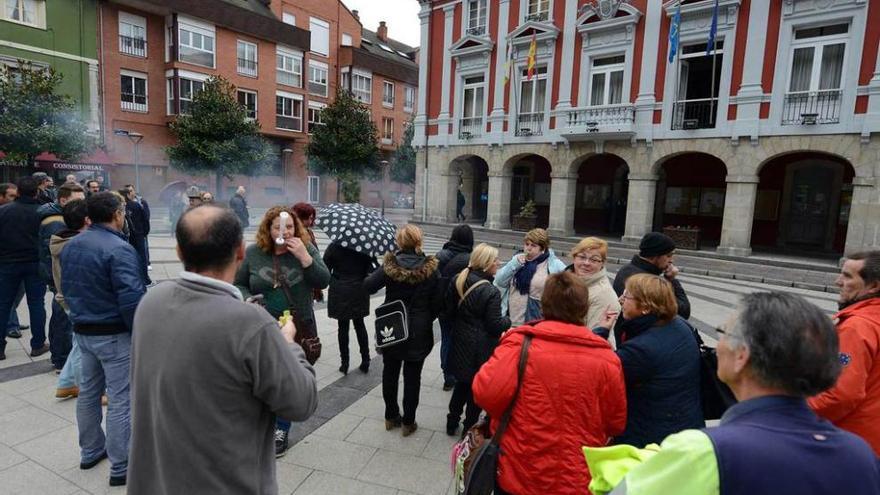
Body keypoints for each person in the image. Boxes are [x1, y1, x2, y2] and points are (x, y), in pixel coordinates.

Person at [607, 292, 880, 495]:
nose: (719, 345)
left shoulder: (702, 450)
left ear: (742, 356)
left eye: (723, 333)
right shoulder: (860, 455)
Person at [129, 205, 318, 494]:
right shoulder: (252, 324)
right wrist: (288, 345)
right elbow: (301, 401)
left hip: (159, 481)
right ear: (241, 252)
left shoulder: (150, 302)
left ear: (179, 251)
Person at [473, 272, 627, 495]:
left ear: (544, 305)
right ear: (583, 308)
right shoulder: (607, 359)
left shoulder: (519, 344)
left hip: (520, 467)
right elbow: (615, 422)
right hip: (577, 475)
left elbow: (485, 394)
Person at [61, 192, 146, 487]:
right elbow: (131, 297)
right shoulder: (119, 249)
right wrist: (139, 330)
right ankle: (121, 464)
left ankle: (90, 450)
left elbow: (66, 286)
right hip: (112, 334)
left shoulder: (73, 244)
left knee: (88, 393)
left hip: (83, 330)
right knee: (121, 398)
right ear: (117, 214)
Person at [234, 206, 329, 458]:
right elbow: (239, 283)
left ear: (295, 228)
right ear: (268, 228)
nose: (284, 232)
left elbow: (323, 280)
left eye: (289, 227)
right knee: (259, 376)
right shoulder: (254, 253)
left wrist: (305, 259)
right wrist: (246, 299)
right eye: (278, 227)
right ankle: (260, 420)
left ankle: (281, 428)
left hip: (297, 327)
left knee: (286, 379)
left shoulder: (305, 249)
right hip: (261, 326)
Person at [595, 273, 703, 448]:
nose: (621, 300)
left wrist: (600, 333)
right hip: (685, 424)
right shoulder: (680, 325)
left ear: (645, 307)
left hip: (651, 436)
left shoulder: (640, 350)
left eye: (626, 296)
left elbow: (601, 372)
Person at [365, 224, 441, 437]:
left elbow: (369, 286)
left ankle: (391, 416)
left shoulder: (390, 266)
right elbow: (438, 301)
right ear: (419, 242)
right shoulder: (432, 268)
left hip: (393, 325)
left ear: (399, 242)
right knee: (412, 376)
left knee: (389, 371)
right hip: (419, 328)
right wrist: (425, 317)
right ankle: (409, 422)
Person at [809, 250, 880, 455]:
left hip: (855, 443)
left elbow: (840, 396)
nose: (838, 281)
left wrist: (787, 409)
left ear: (873, 286)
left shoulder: (857, 327)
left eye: (848, 276)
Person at [445, 243, 509, 436]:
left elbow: (448, 311)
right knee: (475, 391)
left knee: (461, 384)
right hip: (481, 348)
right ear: (487, 263)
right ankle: (469, 428)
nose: (498, 263)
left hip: (460, 340)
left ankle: (451, 422)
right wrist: (508, 320)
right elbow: (494, 325)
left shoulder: (458, 279)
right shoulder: (491, 291)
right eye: (496, 260)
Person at [38, 183, 86, 372]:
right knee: (62, 319)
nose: (83, 206)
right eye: (78, 201)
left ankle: (59, 356)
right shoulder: (56, 222)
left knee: (59, 317)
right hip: (61, 280)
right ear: (63, 200)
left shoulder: (61, 217)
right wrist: (56, 281)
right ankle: (61, 359)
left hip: (61, 280)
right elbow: (53, 255)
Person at [0, 176, 49, 360]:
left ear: (18, 192)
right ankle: (38, 344)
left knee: (3, 304)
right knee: (36, 304)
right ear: (37, 191)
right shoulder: (41, 212)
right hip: (34, 263)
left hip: (7, 264)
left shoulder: (3, 211)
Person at [612, 232, 690, 343]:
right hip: (638, 341)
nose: (671, 260)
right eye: (668, 255)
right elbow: (683, 311)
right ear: (655, 255)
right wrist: (672, 280)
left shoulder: (628, 269)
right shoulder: (645, 280)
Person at [51, 199, 91, 399]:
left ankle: (66, 383)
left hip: (67, 297)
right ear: (87, 220)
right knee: (82, 345)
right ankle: (85, 389)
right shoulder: (76, 245)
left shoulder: (61, 239)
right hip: (75, 300)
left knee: (78, 343)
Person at [495, 228, 566, 327]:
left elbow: (567, 288)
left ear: (543, 248)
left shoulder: (554, 264)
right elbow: (499, 281)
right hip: (513, 319)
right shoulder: (517, 259)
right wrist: (515, 264)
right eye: (527, 244)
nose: (528, 248)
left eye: (533, 245)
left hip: (538, 321)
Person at [323, 239, 375, 375]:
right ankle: (365, 359)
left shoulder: (334, 246)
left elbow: (325, 269)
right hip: (359, 289)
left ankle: (344, 363)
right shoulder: (364, 246)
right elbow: (371, 269)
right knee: (360, 325)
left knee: (343, 327)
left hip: (340, 289)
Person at [435, 224, 474, 390]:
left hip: (443, 306)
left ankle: (447, 375)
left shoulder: (440, 255)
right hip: (463, 307)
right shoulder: (471, 259)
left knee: (446, 339)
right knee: (462, 342)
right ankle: (460, 373)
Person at [566, 237, 621, 338]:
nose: (586, 263)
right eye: (582, 257)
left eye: (594, 260)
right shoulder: (565, 282)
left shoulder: (603, 294)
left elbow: (593, 337)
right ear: (574, 258)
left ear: (602, 263)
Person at [0, 182, 26, 340]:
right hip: (5, 261)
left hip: (20, 259)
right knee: (7, 295)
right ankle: (11, 325)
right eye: (11, 196)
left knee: (18, 292)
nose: (14, 200)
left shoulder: (15, 211)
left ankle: (10, 318)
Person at [292, 202, 323, 303]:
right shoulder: (292, 234)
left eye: (311, 218)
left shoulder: (309, 232)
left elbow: (315, 253)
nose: (310, 221)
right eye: (307, 218)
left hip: (310, 271)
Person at [122, 186, 150, 285]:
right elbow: (145, 219)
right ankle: (145, 279)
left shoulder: (125, 206)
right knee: (142, 257)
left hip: (128, 235)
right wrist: (144, 232)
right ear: (128, 194)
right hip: (138, 234)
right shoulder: (135, 205)